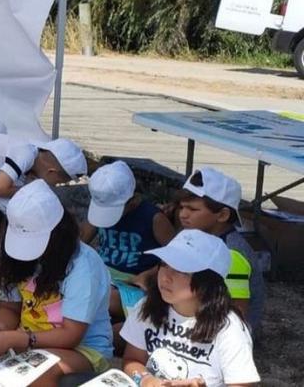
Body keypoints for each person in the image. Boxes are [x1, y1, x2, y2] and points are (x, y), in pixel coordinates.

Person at [0, 182, 113, 385]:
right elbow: (10, 308)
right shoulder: (13, 256)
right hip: (25, 338)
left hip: (83, 350)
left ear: (58, 233)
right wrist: (1, 328)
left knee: (32, 377)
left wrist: (16, 339)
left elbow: (71, 335)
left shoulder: (83, 265)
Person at [121, 229, 260, 387]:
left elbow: (241, 384)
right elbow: (132, 358)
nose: (166, 277)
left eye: (181, 271)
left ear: (208, 282)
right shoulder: (147, 307)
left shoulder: (228, 327)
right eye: (164, 265)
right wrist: (146, 379)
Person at [80, 161, 175, 323]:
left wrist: (149, 275)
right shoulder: (98, 212)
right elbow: (81, 240)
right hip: (102, 275)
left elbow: (174, 255)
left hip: (134, 283)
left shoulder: (154, 218)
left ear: (133, 200)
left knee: (99, 299)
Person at [174, 167, 264, 334]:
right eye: (182, 207)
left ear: (222, 215)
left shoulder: (232, 254)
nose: (183, 215)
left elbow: (237, 313)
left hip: (216, 332)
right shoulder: (190, 234)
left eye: (193, 209)